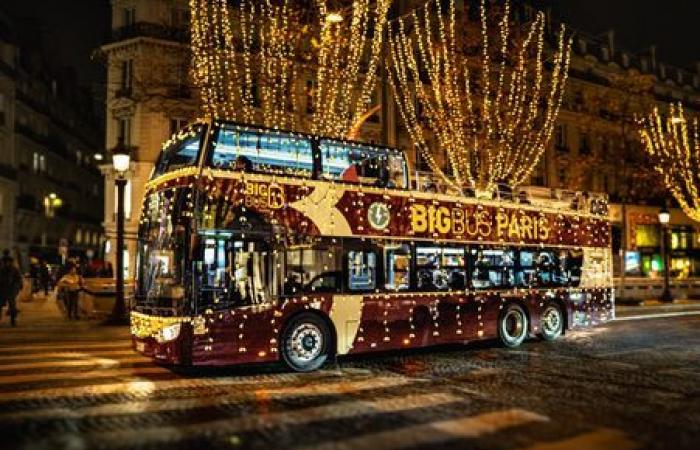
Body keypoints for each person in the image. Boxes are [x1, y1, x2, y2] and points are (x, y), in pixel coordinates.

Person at [0, 250, 23, 326]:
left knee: (12, 305)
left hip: (9, 289)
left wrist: (18, 286)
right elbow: (19, 278)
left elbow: (18, 278)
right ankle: (13, 320)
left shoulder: (12, 269)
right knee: (11, 304)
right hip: (4, 289)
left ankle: (13, 320)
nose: (6, 263)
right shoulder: (12, 268)